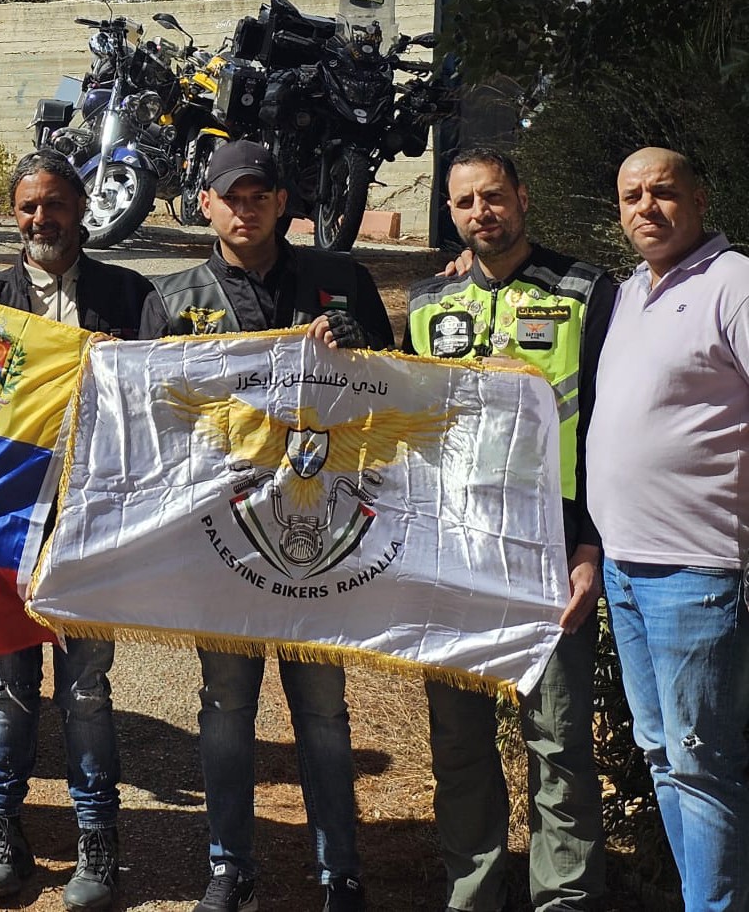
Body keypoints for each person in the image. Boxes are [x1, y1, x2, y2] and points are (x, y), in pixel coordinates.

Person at [143, 140, 386, 912]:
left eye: (259, 196)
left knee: (322, 709)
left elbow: (397, 382)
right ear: (205, 205)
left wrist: (365, 346)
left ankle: (339, 873)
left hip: (321, 533)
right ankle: (229, 868)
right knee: (225, 708)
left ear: (284, 203)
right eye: (230, 197)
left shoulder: (340, 282)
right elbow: (149, 416)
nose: (245, 209)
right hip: (225, 541)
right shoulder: (175, 296)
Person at [401, 145, 612, 912]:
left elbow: (610, 431)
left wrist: (590, 544)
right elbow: (403, 431)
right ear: (451, 214)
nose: (481, 213)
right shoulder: (426, 303)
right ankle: (475, 894)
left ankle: (566, 899)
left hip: (549, 553)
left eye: (493, 197)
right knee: (458, 745)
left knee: (556, 744)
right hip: (451, 555)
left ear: (522, 197)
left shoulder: (590, 290)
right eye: (464, 203)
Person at [0, 150, 158, 909]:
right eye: (27, 208)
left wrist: (126, 368)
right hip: (9, 530)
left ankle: (96, 842)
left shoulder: (128, 295)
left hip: (91, 523)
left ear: (82, 209)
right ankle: (0, 832)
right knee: (6, 689)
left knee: (85, 693)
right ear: (13, 216)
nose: (42, 219)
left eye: (55, 205)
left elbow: (163, 399)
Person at [587, 147, 749, 911]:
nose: (646, 207)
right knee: (660, 756)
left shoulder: (735, 283)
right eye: (631, 196)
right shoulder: (625, 294)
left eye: (663, 192)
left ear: (700, 197)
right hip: (624, 565)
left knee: (701, 763)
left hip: (698, 569)